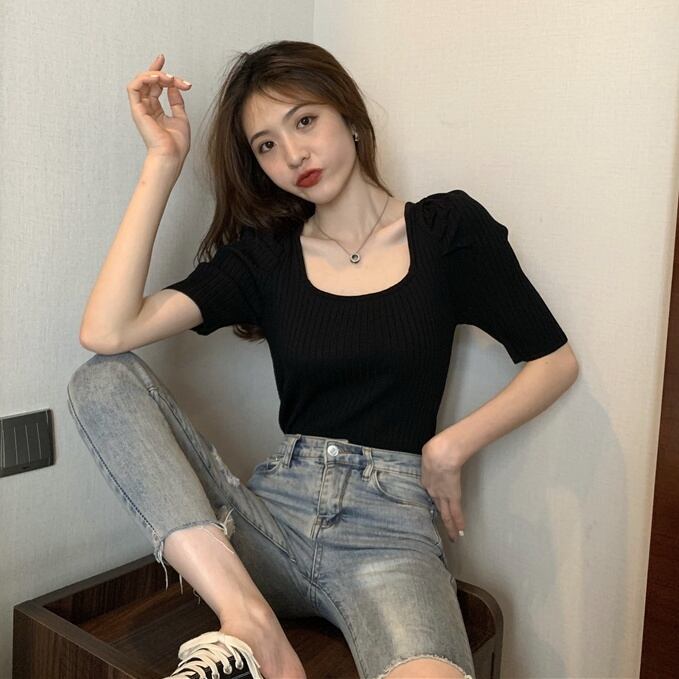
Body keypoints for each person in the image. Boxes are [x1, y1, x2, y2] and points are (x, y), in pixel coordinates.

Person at [67, 40, 578, 679]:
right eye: (266, 145)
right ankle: (251, 624)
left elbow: (553, 360)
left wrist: (450, 447)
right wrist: (164, 159)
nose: (293, 155)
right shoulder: (267, 255)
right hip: (271, 523)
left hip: (391, 533)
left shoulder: (446, 230)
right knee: (102, 380)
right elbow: (108, 331)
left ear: (349, 116)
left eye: (304, 121)